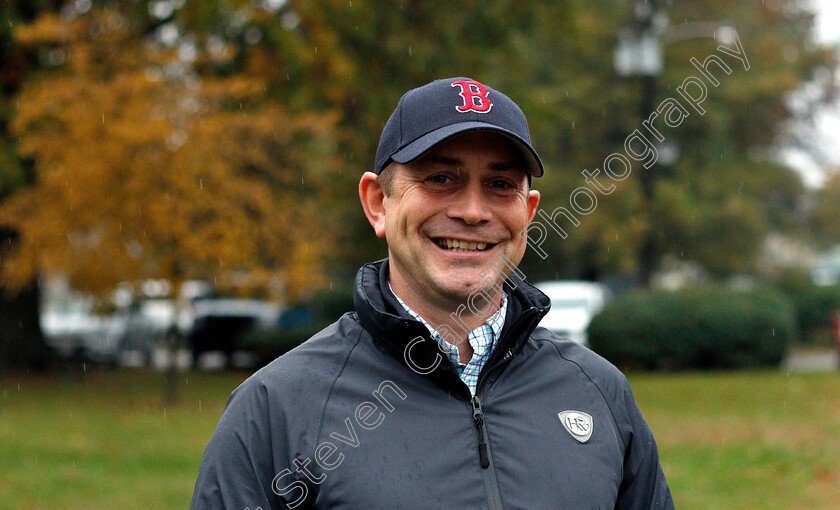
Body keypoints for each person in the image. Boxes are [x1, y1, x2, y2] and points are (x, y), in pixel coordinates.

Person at [190, 77, 675, 509]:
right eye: (441, 178)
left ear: (528, 214)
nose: (472, 211)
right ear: (378, 203)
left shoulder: (599, 393)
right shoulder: (277, 408)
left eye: (499, 184)